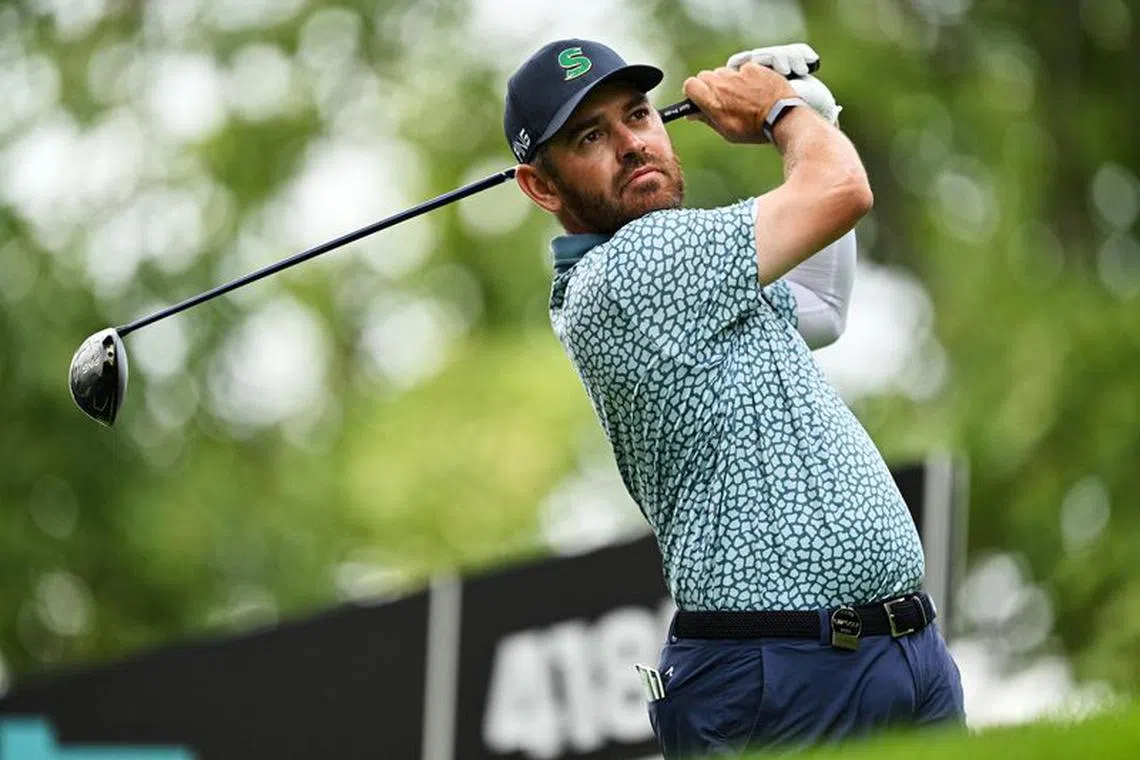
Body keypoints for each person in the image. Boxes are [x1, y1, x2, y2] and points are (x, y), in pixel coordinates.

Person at [503, 39, 965, 757]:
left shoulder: (693, 274)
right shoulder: (635, 266)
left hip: (893, 651)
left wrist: (812, 110)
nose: (631, 144)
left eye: (638, 115)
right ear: (542, 187)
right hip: (779, 674)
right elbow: (841, 191)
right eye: (590, 137)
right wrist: (781, 112)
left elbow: (821, 307)